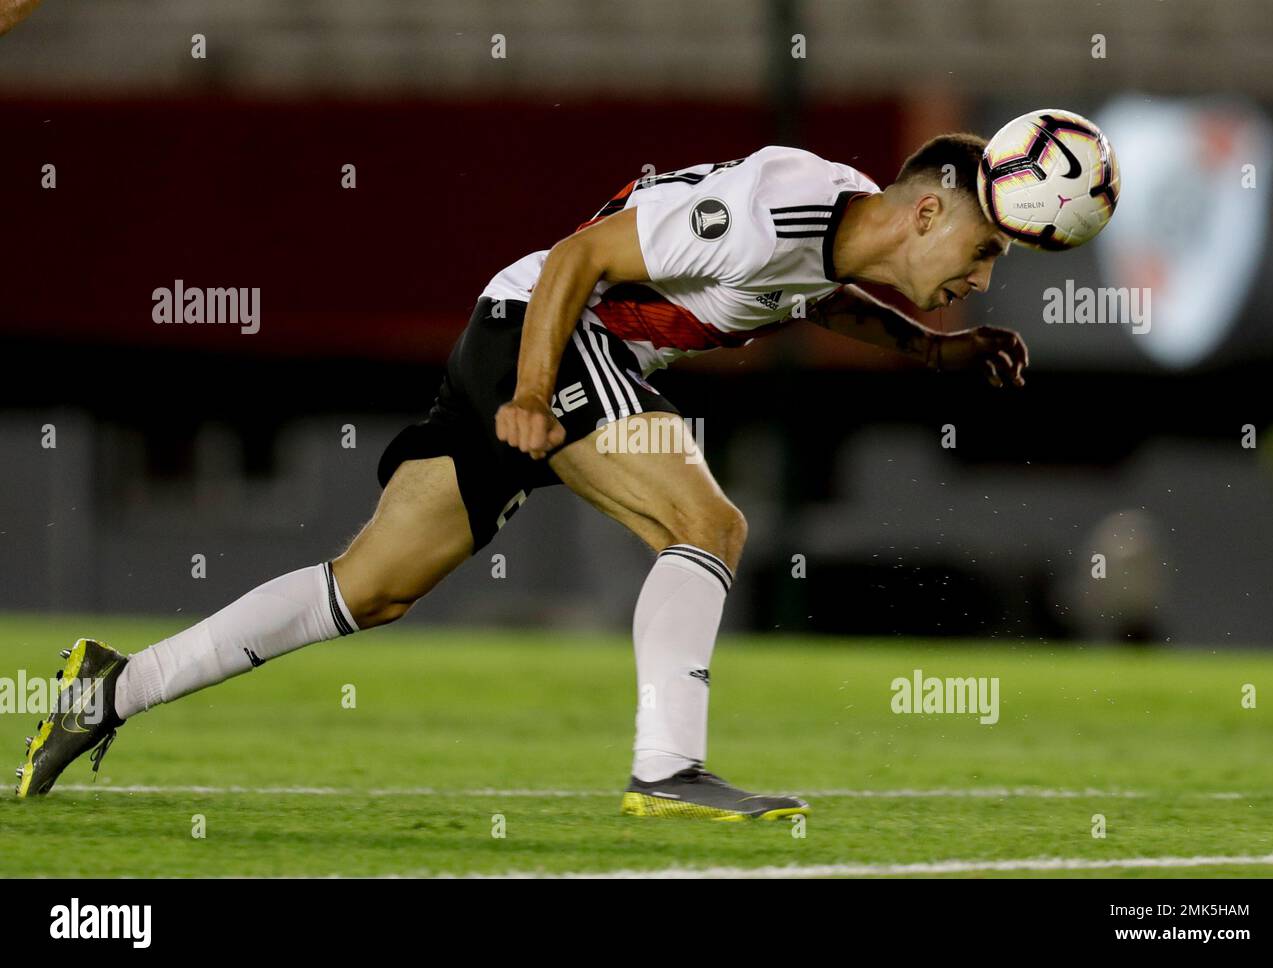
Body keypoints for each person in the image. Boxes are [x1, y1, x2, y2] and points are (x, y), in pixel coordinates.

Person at [17, 137, 1027, 819]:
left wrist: (933, 351)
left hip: (534, 344)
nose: (977, 277)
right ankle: (667, 767)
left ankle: (111, 687)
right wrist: (535, 392)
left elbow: (811, 295)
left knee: (368, 587)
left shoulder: (830, 226)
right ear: (927, 210)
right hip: (541, 332)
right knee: (707, 523)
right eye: (980, 251)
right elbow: (575, 260)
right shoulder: (763, 209)